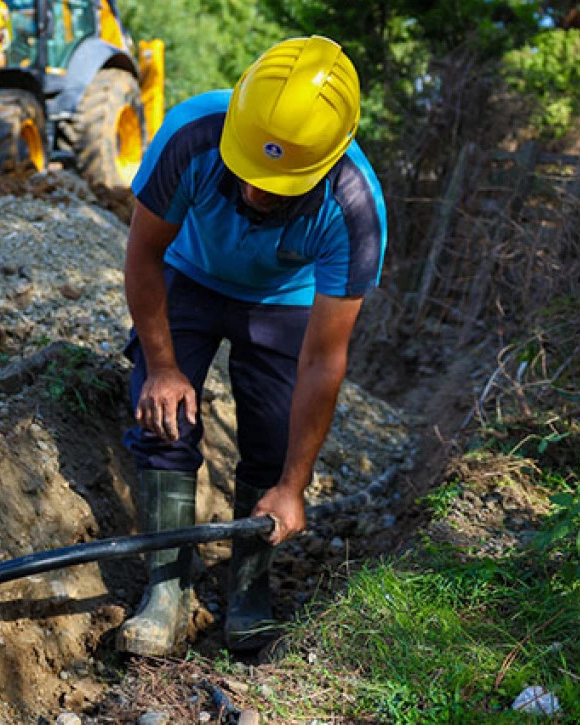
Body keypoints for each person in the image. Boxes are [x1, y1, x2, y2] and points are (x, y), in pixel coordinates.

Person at [118, 35, 387, 656]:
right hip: (187, 273)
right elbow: (143, 253)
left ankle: (250, 589)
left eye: (280, 184)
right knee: (163, 422)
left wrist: (294, 485)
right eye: (248, 171)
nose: (257, 193)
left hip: (283, 300)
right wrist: (162, 366)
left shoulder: (354, 209)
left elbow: (323, 361)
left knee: (271, 438)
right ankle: (166, 592)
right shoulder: (190, 135)